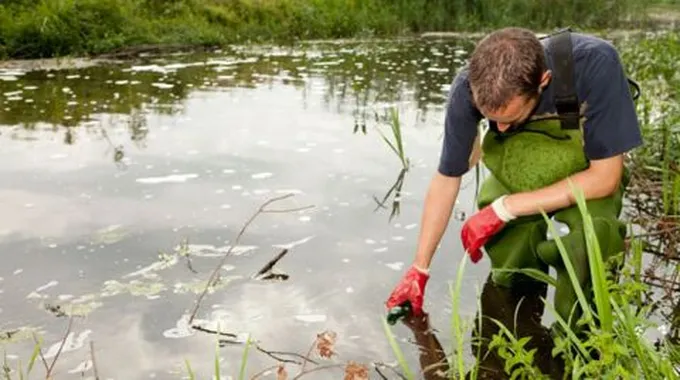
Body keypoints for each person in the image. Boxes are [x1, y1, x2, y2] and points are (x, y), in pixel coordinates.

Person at [385, 27, 642, 328]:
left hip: (589, 169)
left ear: (543, 81)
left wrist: (505, 208)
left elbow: (604, 177)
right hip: (520, 166)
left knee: (592, 239)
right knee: (510, 260)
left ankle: (582, 337)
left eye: (509, 119)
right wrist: (420, 268)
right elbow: (447, 177)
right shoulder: (466, 87)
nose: (501, 130)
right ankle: (515, 323)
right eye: (492, 120)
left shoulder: (596, 63)